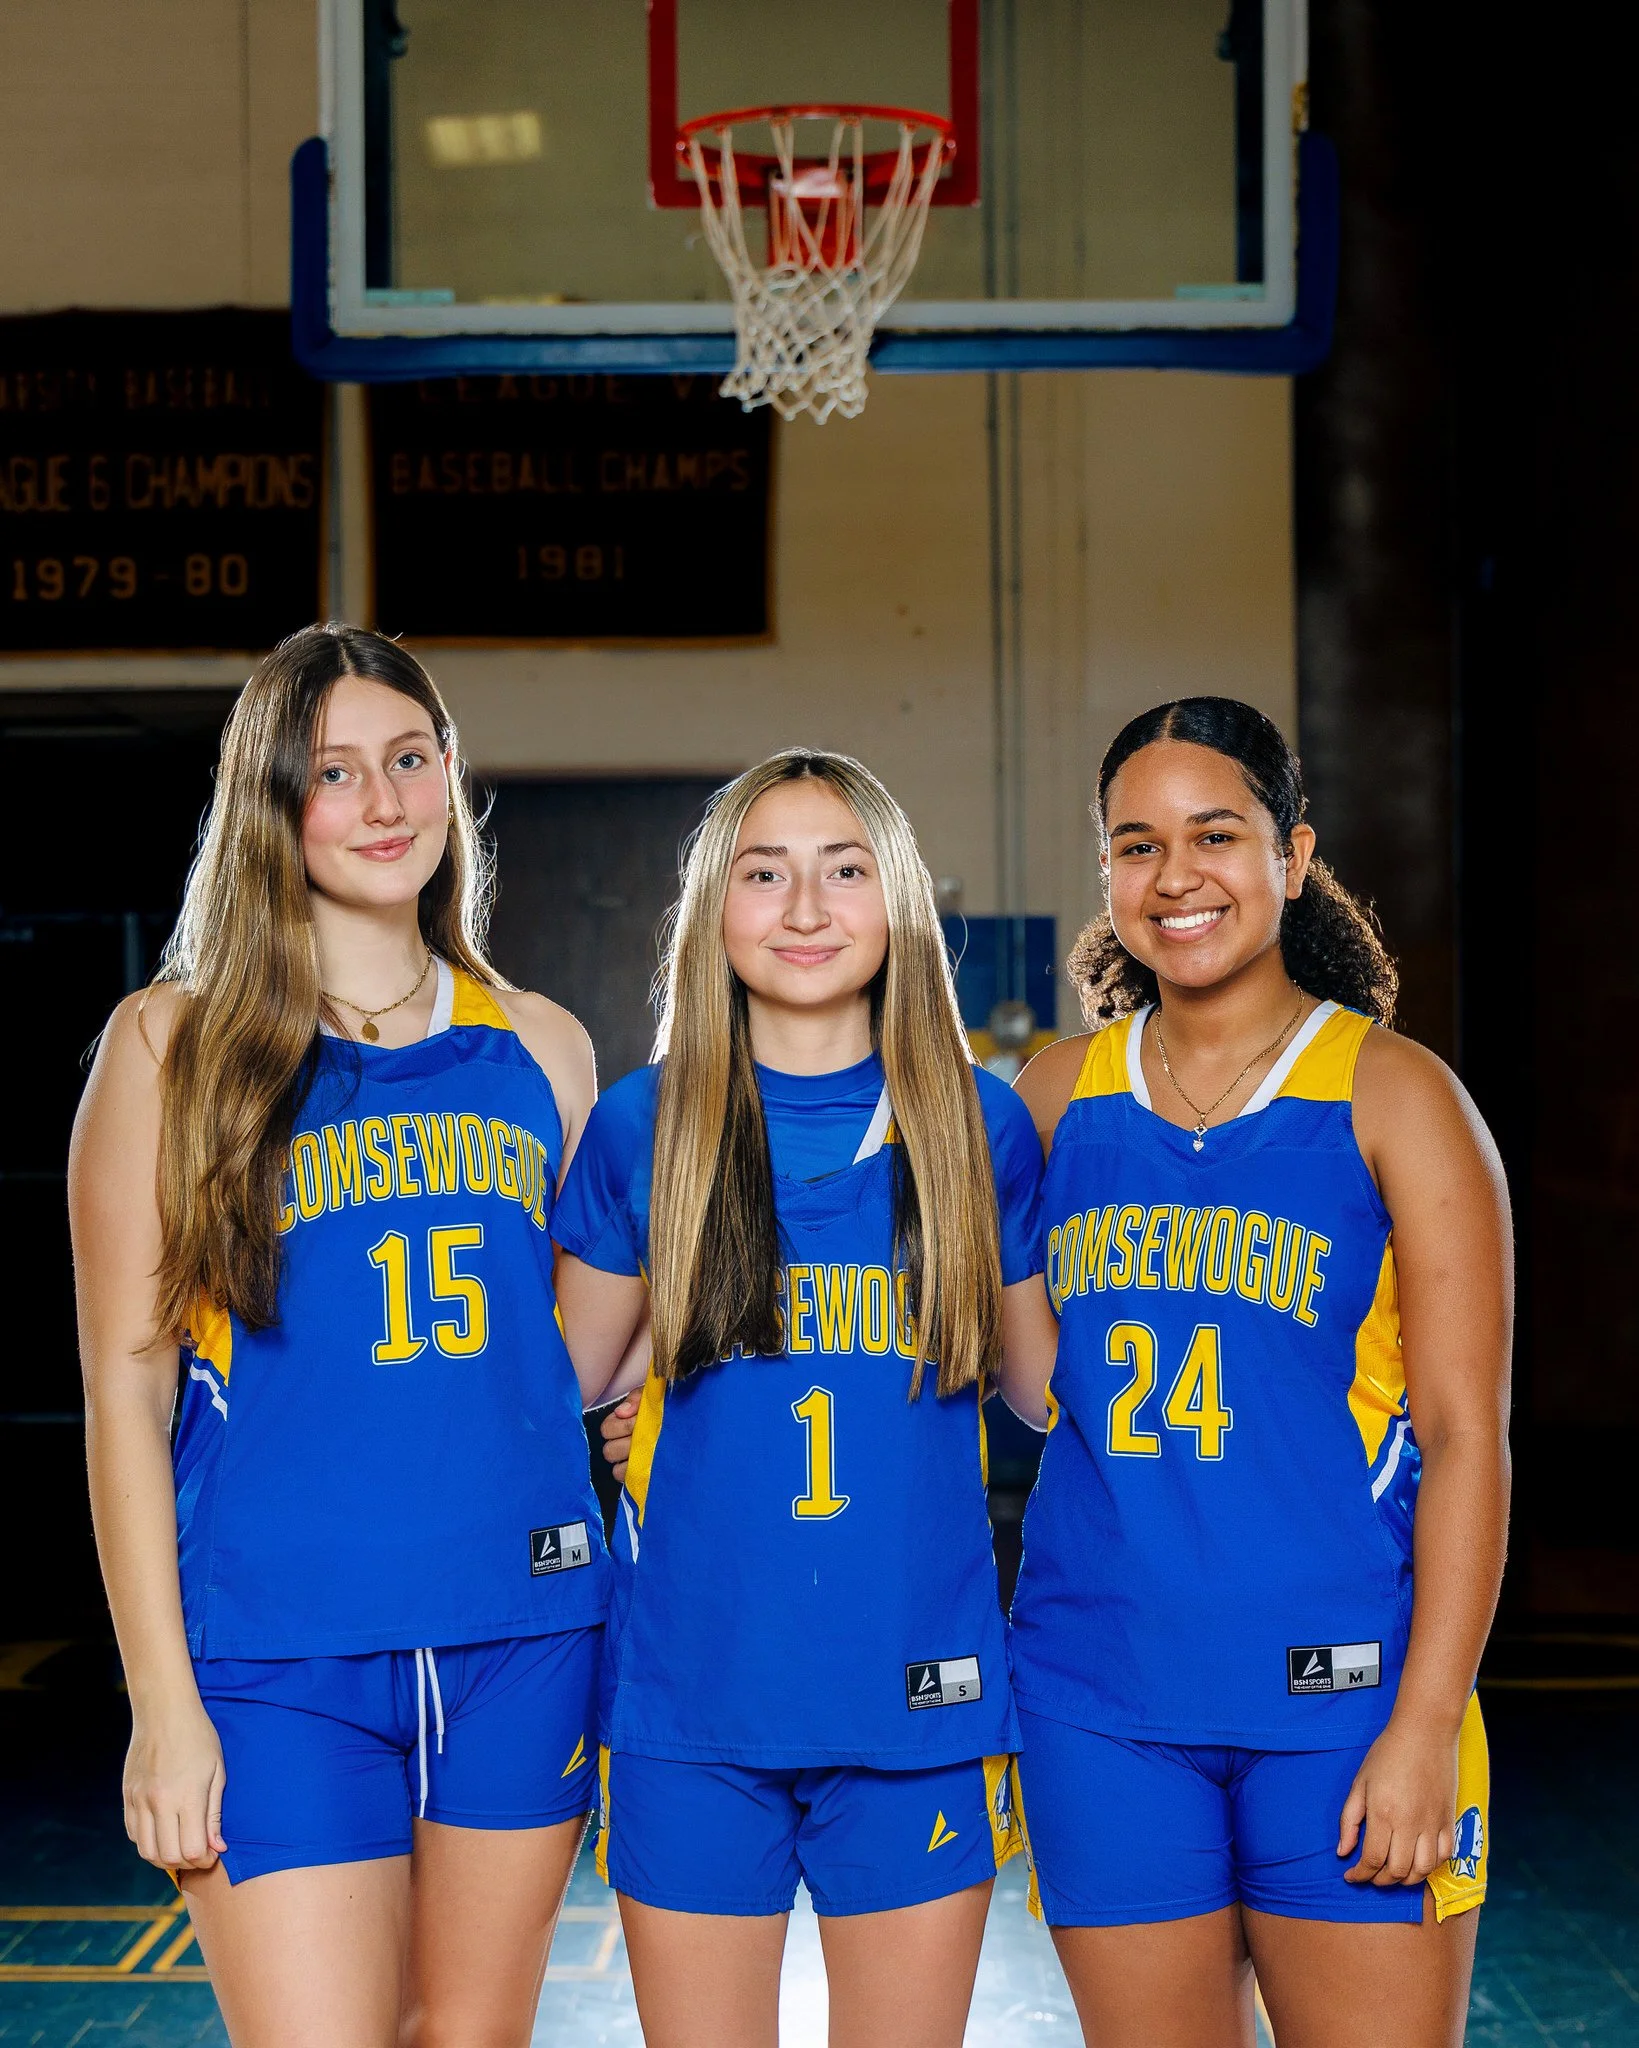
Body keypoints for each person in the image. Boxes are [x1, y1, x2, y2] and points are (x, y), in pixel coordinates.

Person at [70, 624, 611, 2048]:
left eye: (411, 760)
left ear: (450, 780)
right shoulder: (171, 1046)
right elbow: (125, 1397)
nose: (383, 804)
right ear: (273, 805)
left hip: (524, 1634)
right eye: (333, 773)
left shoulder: (544, 1046)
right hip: (280, 1657)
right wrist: (159, 1707)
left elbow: (574, 1356)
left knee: (471, 2039)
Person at [1006, 697, 1511, 2048]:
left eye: (1212, 835)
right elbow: (1025, 1377)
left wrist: (1424, 1725)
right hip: (1100, 1701)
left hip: (1343, 1708)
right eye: (1134, 844)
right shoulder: (1055, 1099)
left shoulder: (1396, 1097)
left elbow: (1465, 1437)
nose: (1174, 876)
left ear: (1289, 858)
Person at [552, 748, 1059, 2048]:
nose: (804, 907)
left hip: (915, 1695)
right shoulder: (643, 1127)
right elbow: (566, 1381)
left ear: (895, 905)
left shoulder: (973, 1126)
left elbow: (1044, 1393)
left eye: (844, 871)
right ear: (714, 911)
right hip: (693, 1705)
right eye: (763, 873)